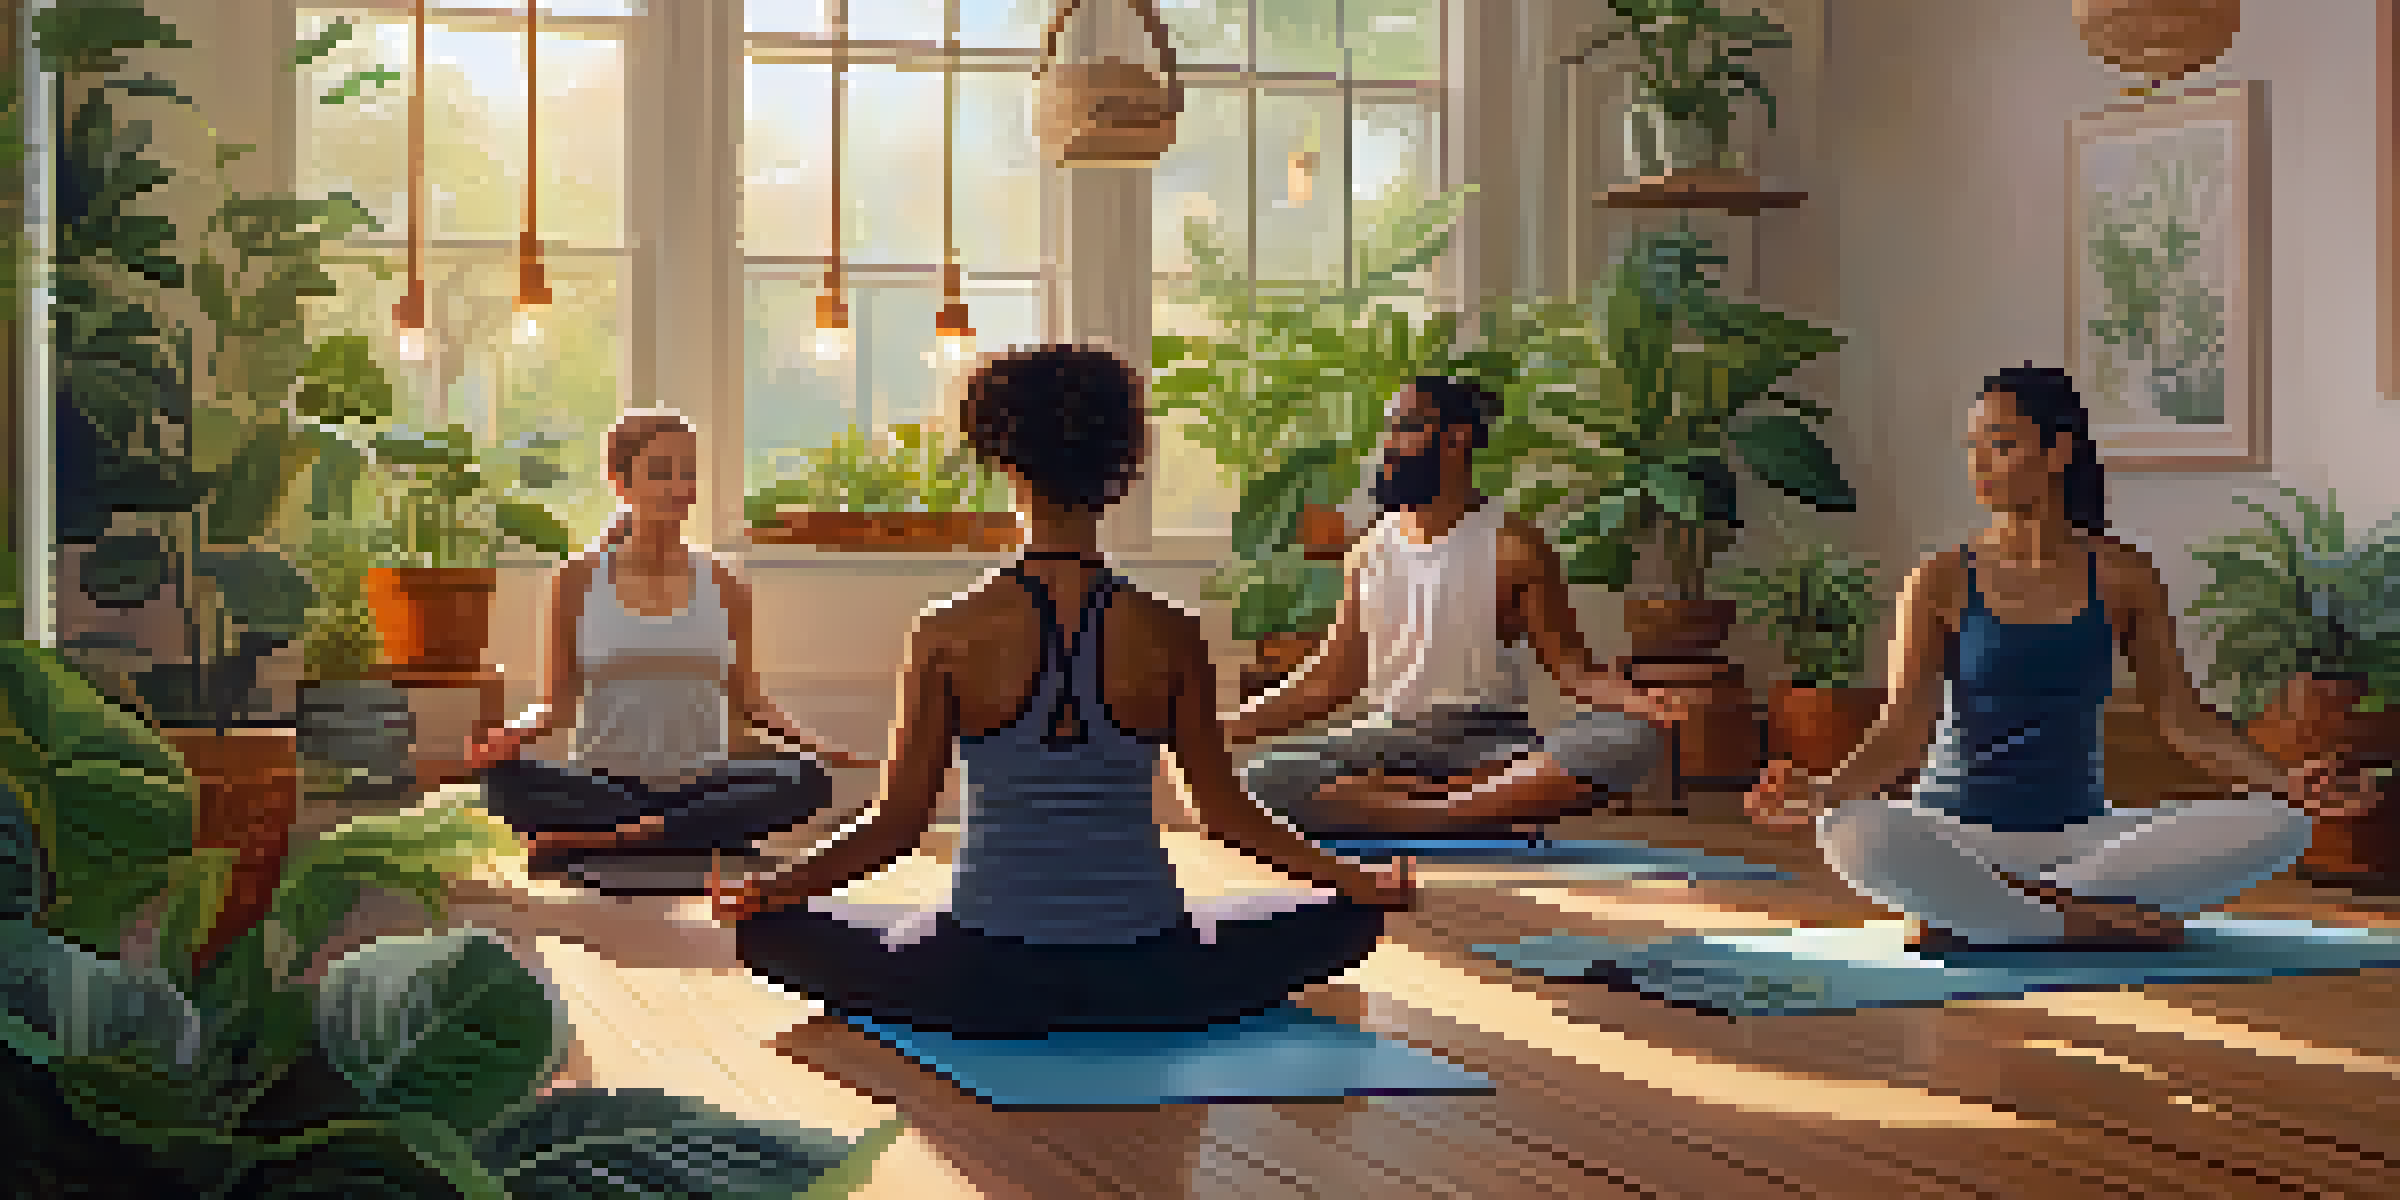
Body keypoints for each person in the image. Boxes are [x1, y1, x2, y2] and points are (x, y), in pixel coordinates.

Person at [712, 345, 1414, 1037]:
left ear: (1005, 463)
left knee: (768, 933)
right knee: (1345, 920)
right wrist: (1357, 880)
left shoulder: (947, 632)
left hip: (978, 972)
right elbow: (1225, 815)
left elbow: (895, 825)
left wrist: (773, 889)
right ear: (1120, 469)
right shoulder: (1171, 633)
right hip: (1153, 969)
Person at [1744, 365, 2381, 951]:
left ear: (2057, 453)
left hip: (2081, 839)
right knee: (1852, 832)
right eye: (1972, 447)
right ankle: (2085, 921)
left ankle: (1992, 913)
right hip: (1952, 834)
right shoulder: (1939, 579)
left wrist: (2286, 783)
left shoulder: (2123, 575)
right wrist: (1823, 791)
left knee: (2281, 825)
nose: (1979, 463)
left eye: (2000, 444)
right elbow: (1900, 731)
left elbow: (2182, 718)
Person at [1230, 376, 1684, 837]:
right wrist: (1219, 727)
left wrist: (1640, 702)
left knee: (1627, 738)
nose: (1388, 445)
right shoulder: (1367, 553)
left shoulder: (1514, 546)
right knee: (1262, 777)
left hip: (1490, 744)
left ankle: (1408, 808)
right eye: (1389, 429)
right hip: (1383, 739)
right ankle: (1471, 808)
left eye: (1405, 428)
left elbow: (1574, 671)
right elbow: (1327, 682)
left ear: (1456, 438)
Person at [464, 409, 878, 880]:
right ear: (621, 482)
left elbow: (751, 701)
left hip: (703, 779)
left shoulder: (724, 582)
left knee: (807, 780)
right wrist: (510, 735)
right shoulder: (577, 580)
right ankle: (691, 830)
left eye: (688, 472)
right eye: (661, 472)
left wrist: (823, 748)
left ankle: (610, 839)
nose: (678, 487)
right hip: (604, 784)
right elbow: (554, 706)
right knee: (502, 783)